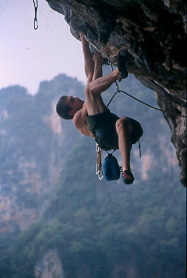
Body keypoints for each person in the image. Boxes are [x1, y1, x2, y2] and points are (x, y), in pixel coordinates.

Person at [56, 34, 143, 184]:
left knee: (121, 122)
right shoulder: (77, 120)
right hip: (106, 139)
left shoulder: (91, 102)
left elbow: (90, 77)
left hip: (122, 129)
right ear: (71, 112)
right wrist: (98, 65)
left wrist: (84, 42)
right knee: (89, 90)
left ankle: (127, 170)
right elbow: (90, 87)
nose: (75, 98)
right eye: (72, 100)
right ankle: (117, 73)